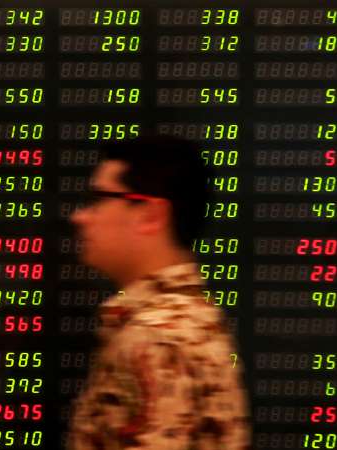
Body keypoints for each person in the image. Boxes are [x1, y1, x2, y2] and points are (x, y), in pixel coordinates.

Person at [66, 135, 251, 450]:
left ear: (151, 215)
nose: (80, 216)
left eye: (98, 198)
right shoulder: (193, 319)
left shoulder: (153, 340)